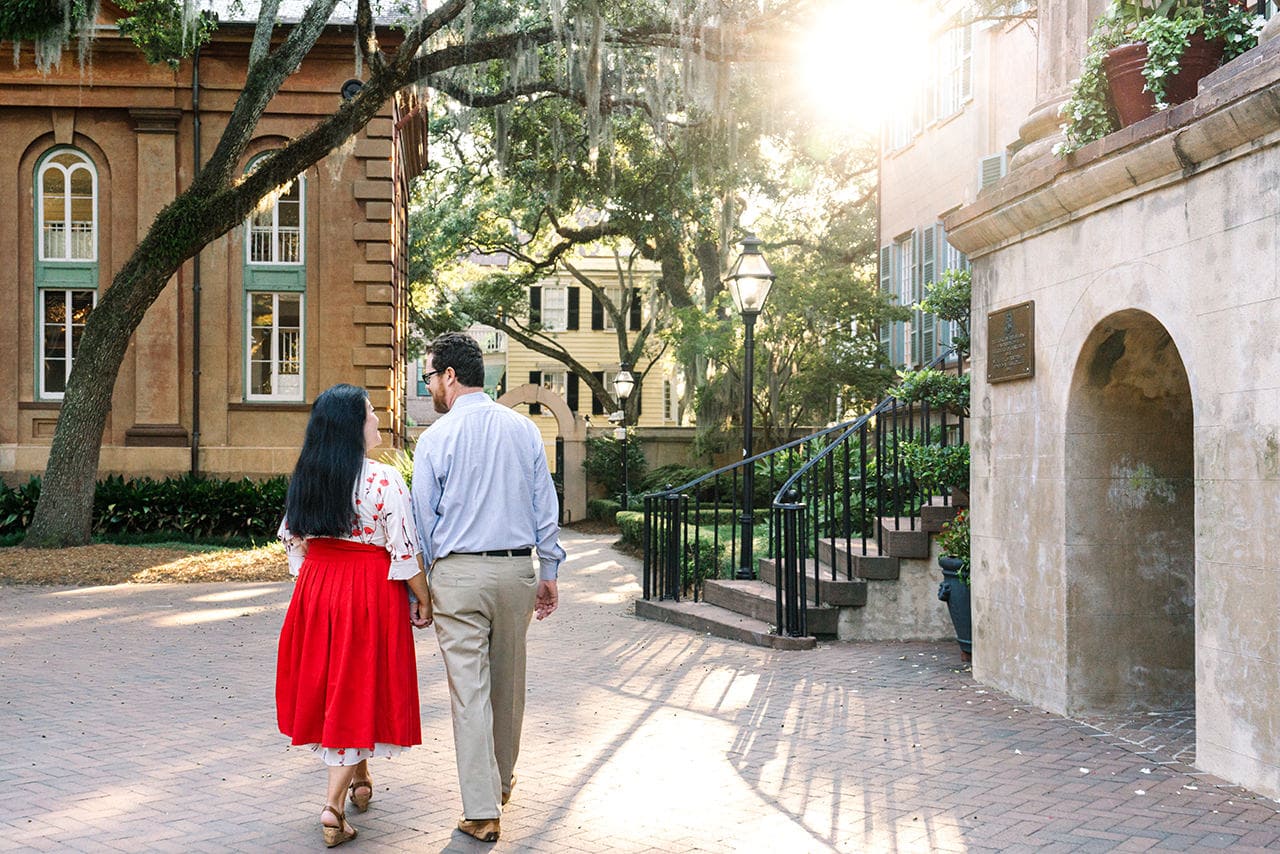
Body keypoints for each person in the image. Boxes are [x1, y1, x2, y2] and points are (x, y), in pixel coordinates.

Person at [411, 332, 564, 843]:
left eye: (430, 375)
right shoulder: (524, 431)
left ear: (450, 377)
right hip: (517, 570)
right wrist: (550, 572)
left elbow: (424, 523)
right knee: (508, 684)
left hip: (457, 573)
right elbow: (546, 504)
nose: (429, 385)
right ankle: (498, 784)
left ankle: (481, 809)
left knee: (468, 693)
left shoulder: (434, 438)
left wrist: (429, 584)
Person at [275, 383, 433, 848]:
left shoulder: (308, 477)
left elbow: (291, 538)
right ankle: (332, 807)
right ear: (350, 425)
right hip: (367, 591)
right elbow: (404, 552)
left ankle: (361, 780)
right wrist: (423, 599)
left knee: (336, 683)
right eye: (368, 414)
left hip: (318, 588)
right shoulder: (383, 480)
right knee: (357, 684)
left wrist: (313, 581)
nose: (376, 420)